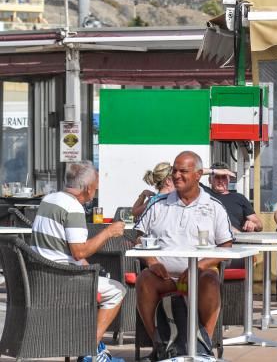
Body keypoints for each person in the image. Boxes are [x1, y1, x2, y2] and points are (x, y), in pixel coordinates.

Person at [134, 151, 234, 356]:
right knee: (144, 279)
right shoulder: (157, 204)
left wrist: (200, 267)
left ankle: (201, 346)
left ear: (198, 175)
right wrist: (152, 262)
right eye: (174, 170)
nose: (176, 175)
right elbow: (138, 239)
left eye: (183, 171)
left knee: (210, 280)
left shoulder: (214, 206)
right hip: (163, 277)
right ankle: (161, 346)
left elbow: (226, 247)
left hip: (198, 277)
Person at [30, 161, 126, 362]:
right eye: (96, 186)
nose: (96, 189)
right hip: (61, 281)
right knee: (117, 290)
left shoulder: (50, 199)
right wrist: (108, 232)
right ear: (87, 188)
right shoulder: (73, 207)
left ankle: (93, 347)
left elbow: (63, 249)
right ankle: (89, 351)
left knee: (98, 284)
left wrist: (86, 266)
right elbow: (79, 251)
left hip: (41, 277)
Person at [207, 161, 263, 232]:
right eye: (217, 177)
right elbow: (192, 173)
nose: (220, 181)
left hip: (238, 240)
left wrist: (253, 224)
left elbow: (259, 225)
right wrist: (213, 171)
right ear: (209, 180)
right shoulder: (203, 194)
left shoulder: (239, 198)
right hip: (213, 240)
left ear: (229, 179)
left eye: (224, 177)